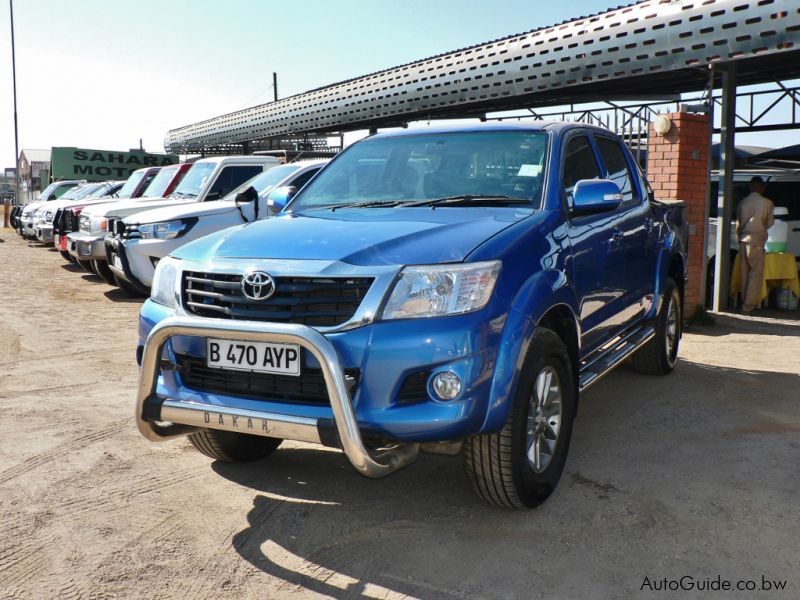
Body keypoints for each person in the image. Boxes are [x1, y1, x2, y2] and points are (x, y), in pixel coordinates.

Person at [736, 176, 774, 312]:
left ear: (750, 186)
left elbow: (738, 224)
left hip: (742, 238)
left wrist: (740, 235)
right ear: (761, 187)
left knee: (744, 272)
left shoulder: (742, 202)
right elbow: (769, 223)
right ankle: (748, 305)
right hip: (756, 239)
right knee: (755, 273)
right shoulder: (767, 203)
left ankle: (743, 302)